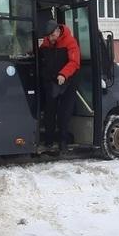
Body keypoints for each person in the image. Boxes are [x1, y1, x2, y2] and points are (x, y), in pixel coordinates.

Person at [39, 19, 80, 152]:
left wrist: (63, 74)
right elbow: (41, 57)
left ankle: (63, 142)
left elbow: (74, 62)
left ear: (58, 31)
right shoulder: (46, 42)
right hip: (52, 82)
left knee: (64, 112)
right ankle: (49, 141)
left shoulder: (70, 41)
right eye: (48, 36)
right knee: (49, 111)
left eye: (52, 36)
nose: (50, 39)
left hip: (67, 82)